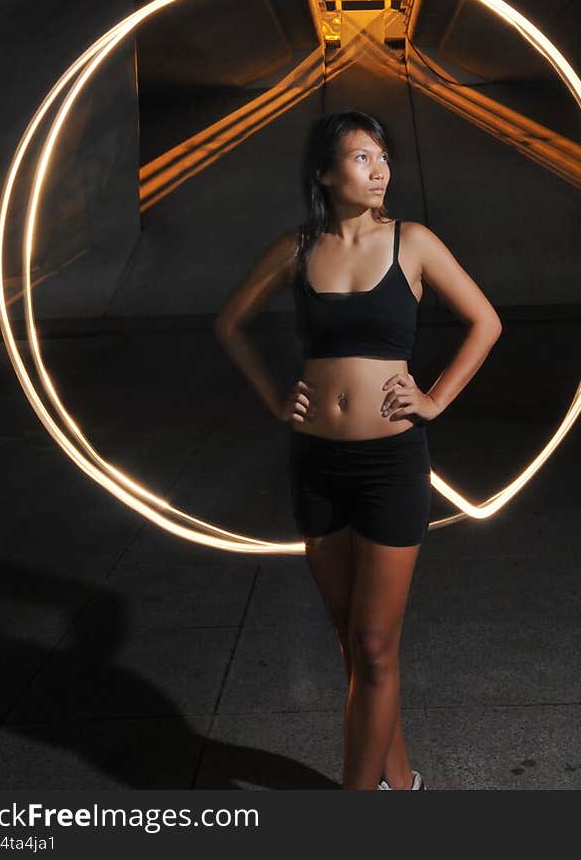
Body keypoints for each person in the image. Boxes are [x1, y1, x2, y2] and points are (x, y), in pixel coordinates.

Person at [213, 109, 502, 790]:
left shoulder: (413, 242)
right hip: (315, 465)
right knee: (354, 644)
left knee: (374, 643)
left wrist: (433, 398)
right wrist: (275, 397)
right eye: (362, 156)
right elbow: (228, 323)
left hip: (390, 465)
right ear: (323, 172)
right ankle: (400, 785)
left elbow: (486, 321)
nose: (380, 168)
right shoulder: (296, 248)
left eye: (383, 155)